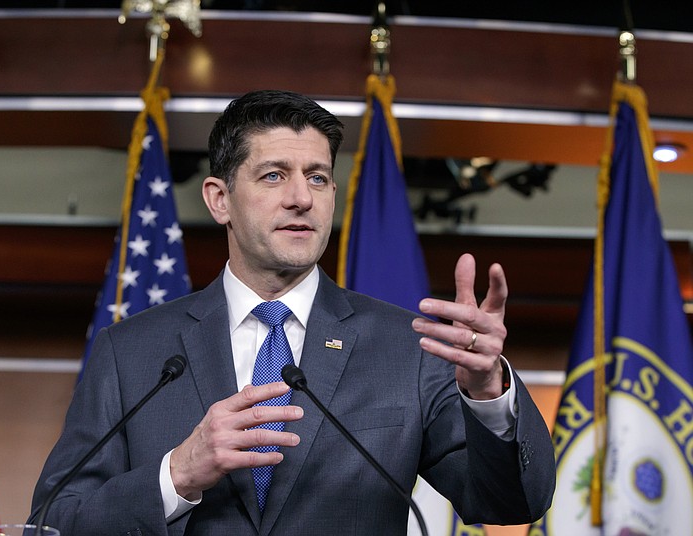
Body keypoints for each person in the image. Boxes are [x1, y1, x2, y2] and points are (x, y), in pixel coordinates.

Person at [30, 90, 555, 535]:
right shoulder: (132, 351)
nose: (302, 198)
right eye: (275, 176)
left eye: (319, 177)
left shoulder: (410, 347)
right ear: (220, 200)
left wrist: (489, 393)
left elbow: (511, 504)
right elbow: (54, 521)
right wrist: (178, 475)